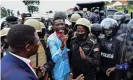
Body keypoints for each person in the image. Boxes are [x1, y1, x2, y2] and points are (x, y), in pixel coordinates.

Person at [47, 14, 70, 80]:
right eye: (57, 25)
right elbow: (54, 58)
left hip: (67, 69)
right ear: (53, 26)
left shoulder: (64, 35)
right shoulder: (52, 39)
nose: (60, 26)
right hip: (59, 73)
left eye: (62, 24)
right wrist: (62, 47)